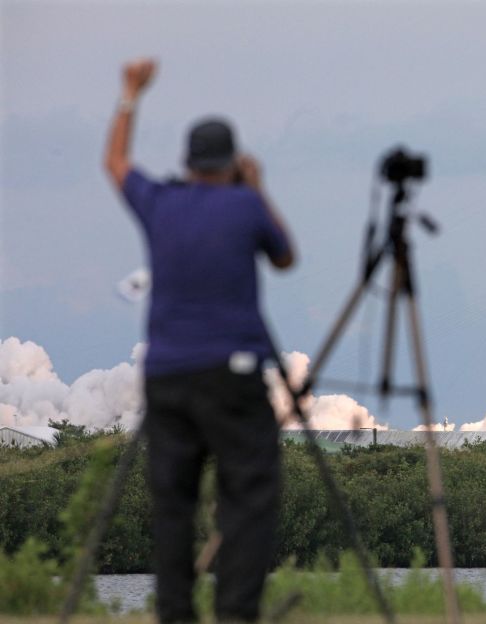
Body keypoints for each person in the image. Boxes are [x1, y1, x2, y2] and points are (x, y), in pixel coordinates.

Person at [104, 57, 296, 623]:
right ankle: (235, 613)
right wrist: (257, 189)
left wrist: (129, 95)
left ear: (187, 162)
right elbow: (285, 255)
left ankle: (175, 615)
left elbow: (115, 163)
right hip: (231, 378)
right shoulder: (244, 205)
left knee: (173, 509)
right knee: (249, 499)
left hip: (166, 378)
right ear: (232, 163)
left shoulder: (160, 202)